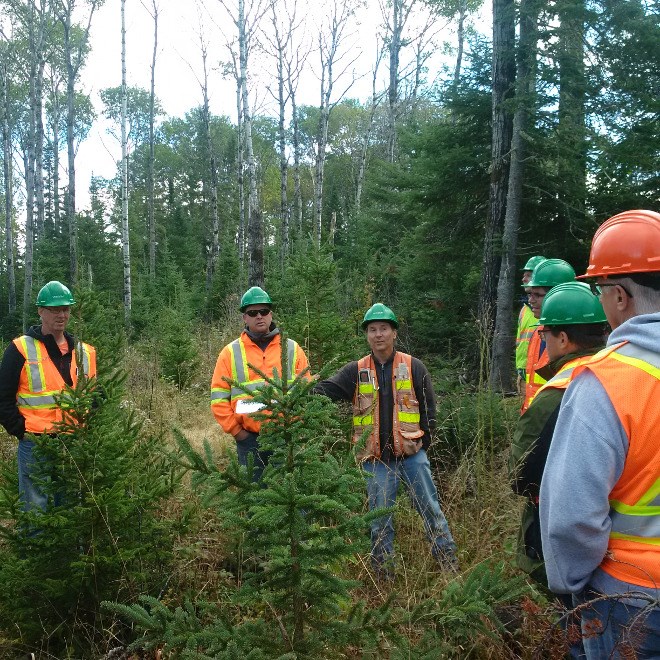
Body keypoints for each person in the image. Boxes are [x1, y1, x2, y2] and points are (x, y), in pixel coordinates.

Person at [540, 209, 660, 658]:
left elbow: (571, 516)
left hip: (630, 599)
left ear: (621, 297)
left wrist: (571, 582)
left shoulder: (606, 382)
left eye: (601, 289)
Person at [314, 303, 457, 577]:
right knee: (380, 524)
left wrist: (421, 446)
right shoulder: (355, 371)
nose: (378, 334)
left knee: (431, 512)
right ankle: (385, 580)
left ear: (394, 333)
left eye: (383, 329)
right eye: (372, 330)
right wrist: (296, 392)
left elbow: (429, 411)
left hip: (413, 458)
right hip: (376, 462)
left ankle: (449, 568)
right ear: (367, 335)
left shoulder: (414, 366)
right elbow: (326, 391)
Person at [509, 282, 608, 656]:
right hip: (635, 553)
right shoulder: (633, 376)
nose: (542, 341)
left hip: (570, 539)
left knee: (578, 627)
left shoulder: (556, 393)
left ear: (563, 338)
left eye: (545, 333)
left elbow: (519, 474)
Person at [0, 281, 97, 512]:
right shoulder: (20, 349)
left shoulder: (85, 351)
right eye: (54, 309)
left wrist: (87, 422)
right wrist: (20, 430)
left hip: (73, 440)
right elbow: (3, 397)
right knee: (35, 506)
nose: (61, 315)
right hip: (35, 441)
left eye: (65, 309)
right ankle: (33, 547)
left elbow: (94, 394)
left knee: (71, 504)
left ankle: (71, 549)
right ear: (40, 311)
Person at [210, 286, 310, 482]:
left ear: (270, 314)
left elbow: (306, 391)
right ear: (244, 318)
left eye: (264, 311)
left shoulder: (292, 349)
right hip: (249, 440)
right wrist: (238, 433)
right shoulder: (230, 353)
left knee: (293, 495)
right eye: (252, 313)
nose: (259, 316)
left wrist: (297, 426)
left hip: (286, 437)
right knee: (255, 501)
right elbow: (218, 399)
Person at [521, 258, 576, 414]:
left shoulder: (574, 338)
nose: (530, 300)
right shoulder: (539, 332)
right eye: (530, 294)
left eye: (537, 295)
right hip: (536, 420)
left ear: (558, 296)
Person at [515, 256, 546, 394]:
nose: (523, 279)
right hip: (524, 373)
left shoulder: (546, 309)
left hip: (541, 375)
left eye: (527, 275)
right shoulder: (525, 309)